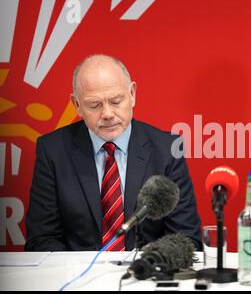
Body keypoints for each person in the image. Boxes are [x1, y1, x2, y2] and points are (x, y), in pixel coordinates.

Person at [25, 54, 202, 251]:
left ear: (132, 94)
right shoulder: (53, 151)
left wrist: (145, 268)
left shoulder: (168, 150)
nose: (107, 114)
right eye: (94, 105)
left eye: (116, 101)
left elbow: (186, 239)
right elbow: (41, 240)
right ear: (77, 105)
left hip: (146, 276)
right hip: (79, 278)